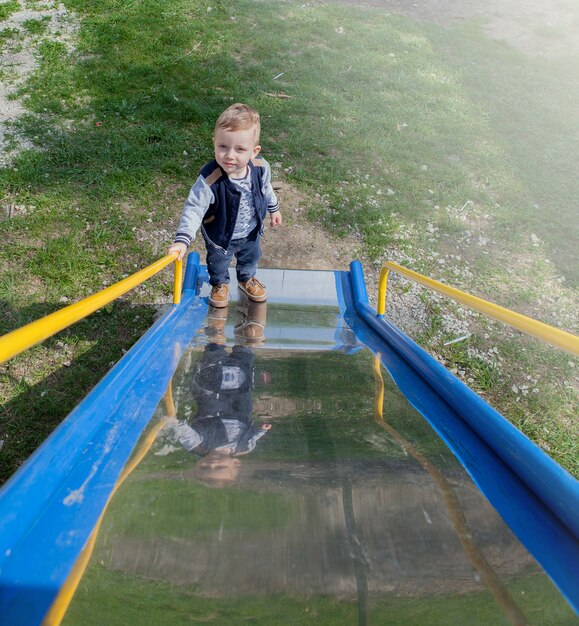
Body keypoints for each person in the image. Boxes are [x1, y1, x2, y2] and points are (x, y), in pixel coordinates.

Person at [167, 103, 282, 308]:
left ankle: (247, 278)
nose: (230, 155)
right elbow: (194, 208)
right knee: (218, 262)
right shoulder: (210, 178)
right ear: (215, 143)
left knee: (251, 257)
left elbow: (266, 189)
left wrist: (274, 208)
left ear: (254, 152)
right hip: (220, 236)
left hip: (250, 231)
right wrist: (182, 240)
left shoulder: (261, 168)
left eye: (240, 149)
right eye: (223, 147)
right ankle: (219, 284)